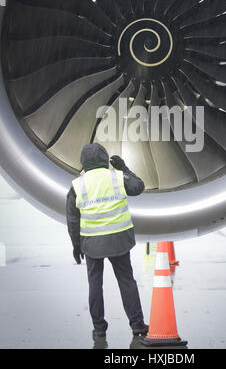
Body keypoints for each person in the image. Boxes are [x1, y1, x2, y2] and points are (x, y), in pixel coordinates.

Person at [66, 143, 148, 339]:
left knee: (95, 284)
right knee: (127, 281)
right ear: (104, 158)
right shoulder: (117, 177)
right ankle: (137, 324)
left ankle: (99, 328)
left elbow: (72, 220)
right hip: (119, 240)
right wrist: (124, 168)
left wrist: (76, 246)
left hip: (92, 243)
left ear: (83, 161)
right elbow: (139, 187)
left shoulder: (77, 185)